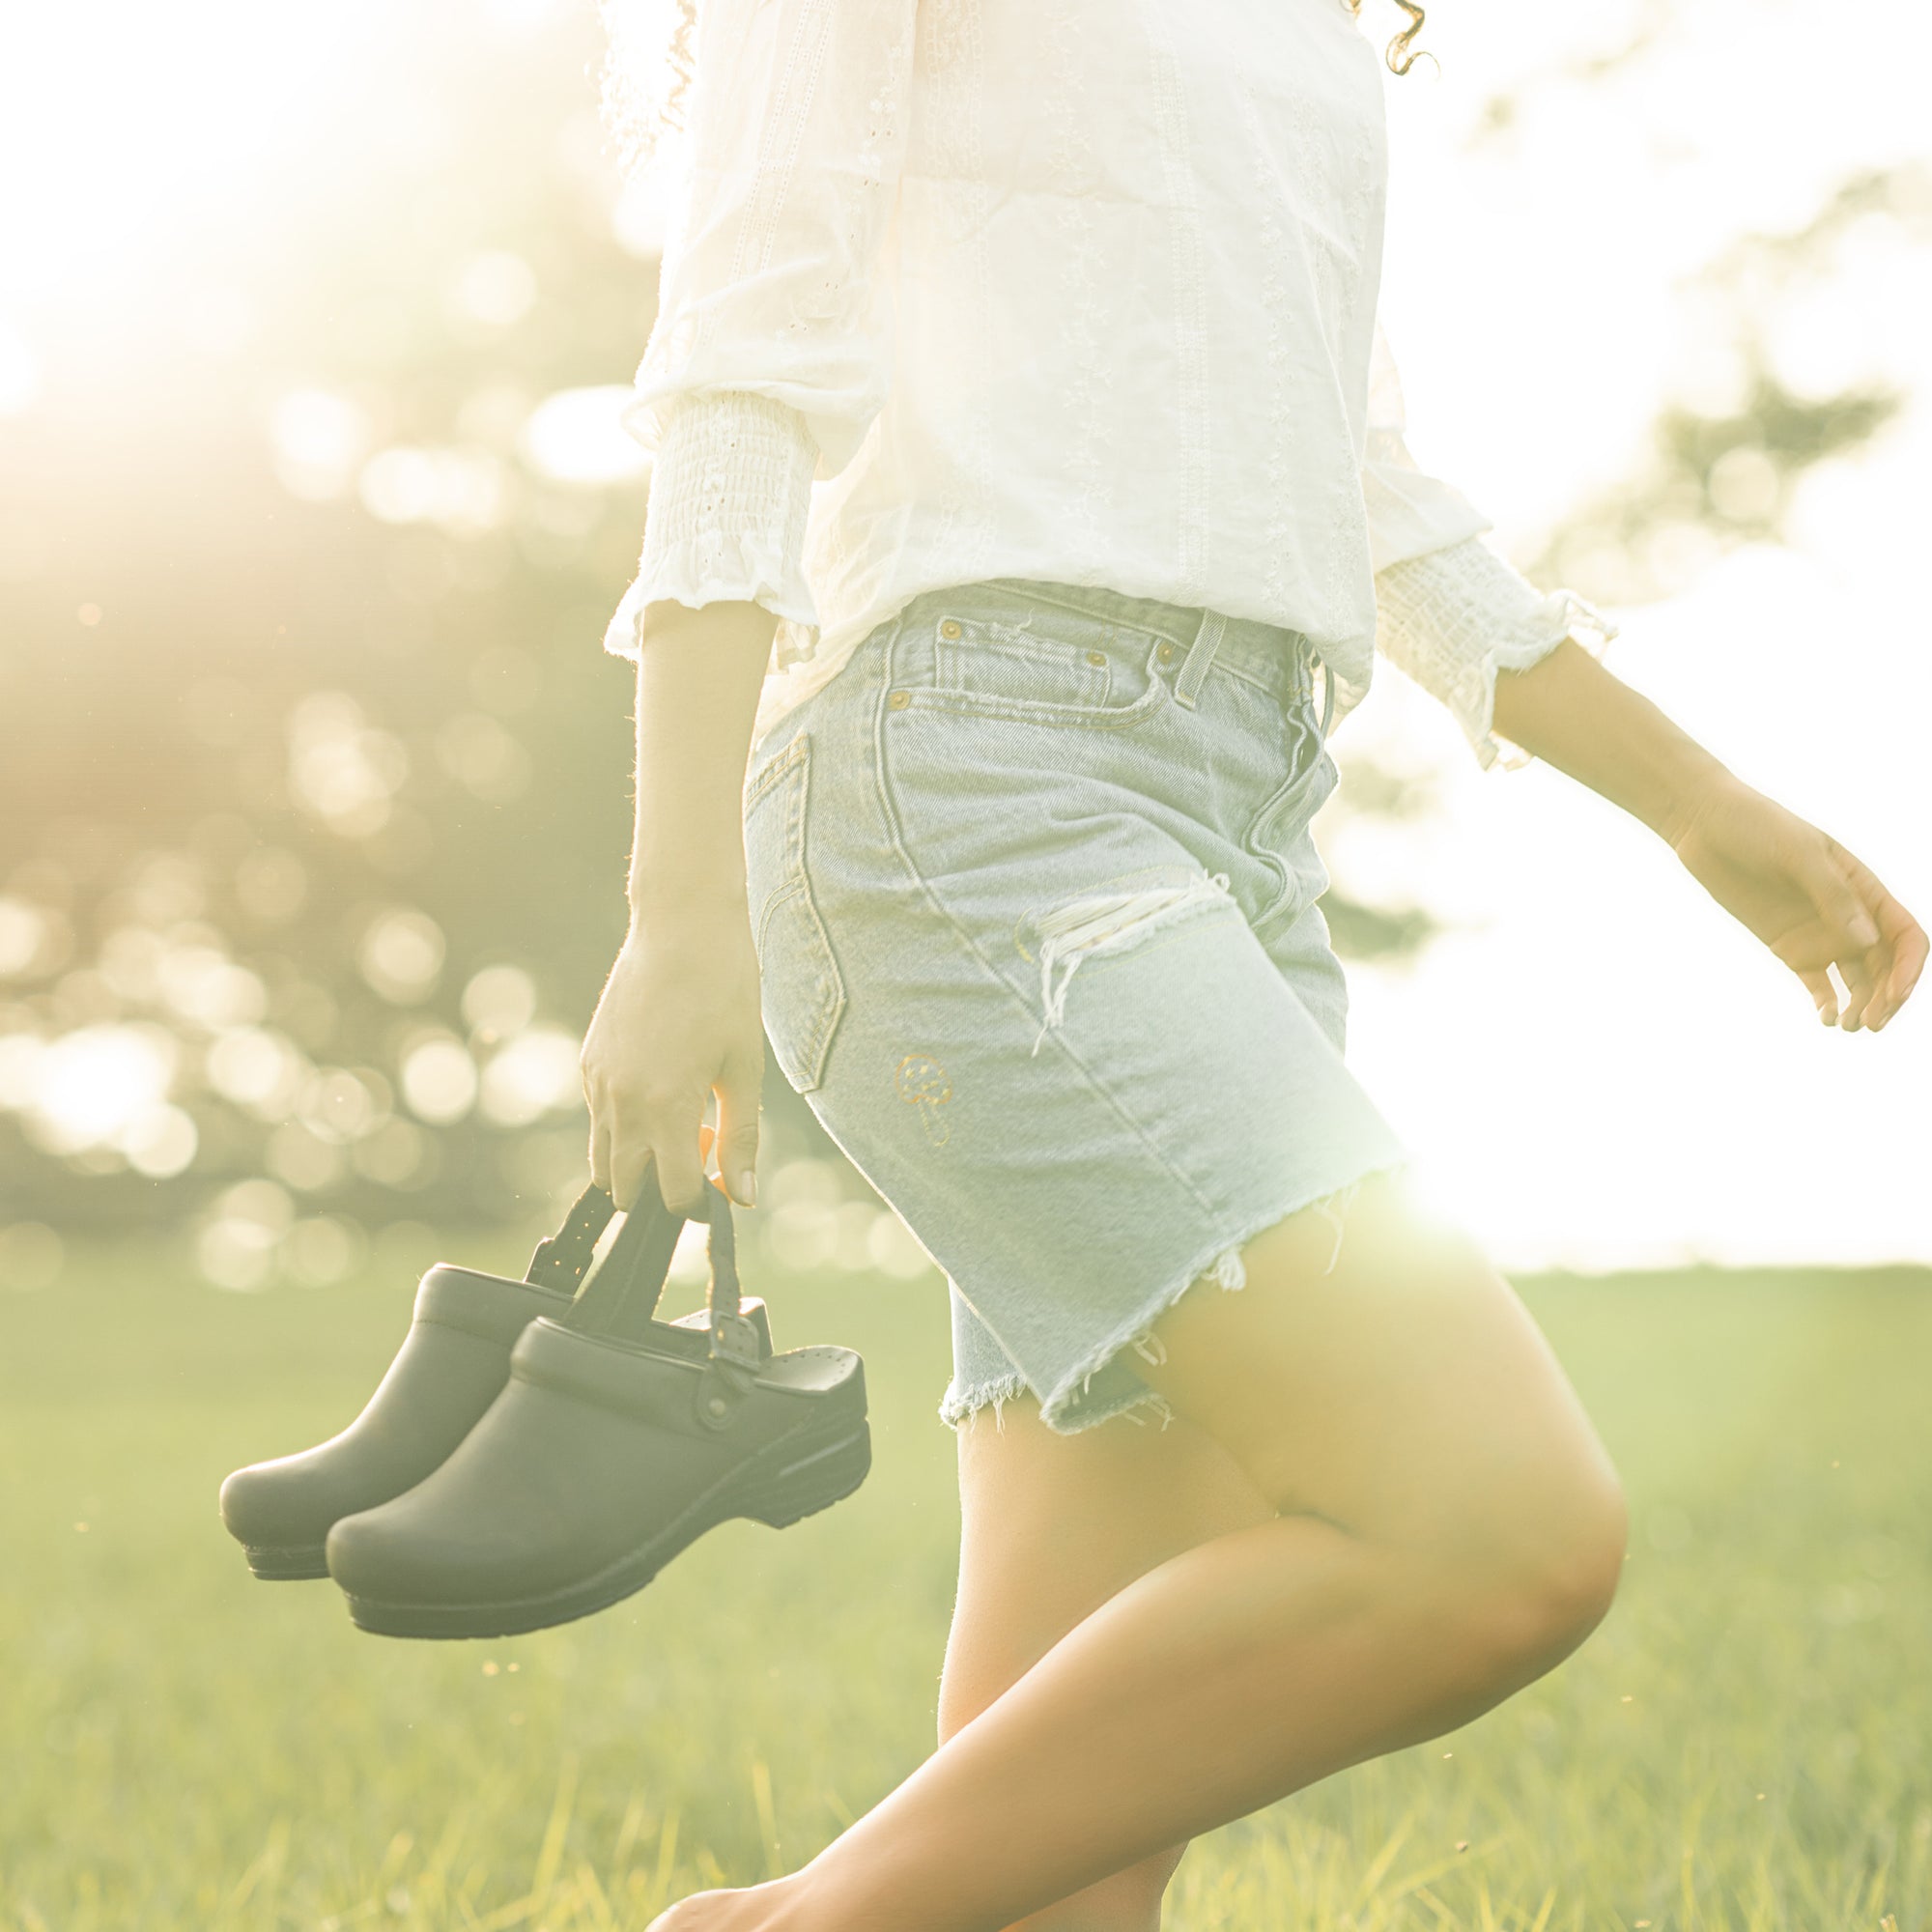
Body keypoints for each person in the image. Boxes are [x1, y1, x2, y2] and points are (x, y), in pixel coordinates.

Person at [579, 0, 1927, 1925]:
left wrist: (1697, 803)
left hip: (1234, 822)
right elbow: (741, 372)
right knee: (1496, 1533)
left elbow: (1357, 486)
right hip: (970, 799)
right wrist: (677, 911)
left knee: (1068, 1853)